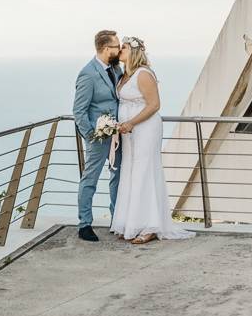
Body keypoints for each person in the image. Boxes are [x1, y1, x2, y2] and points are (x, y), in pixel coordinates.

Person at [110, 36, 195, 244]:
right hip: (128, 133)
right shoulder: (124, 75)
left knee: (145, 172)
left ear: (134, 51)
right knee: (130, 172)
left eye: (124, 47)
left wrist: (131, 122)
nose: (120, 50)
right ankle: (131, 223)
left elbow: (154, 104)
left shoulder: (144, 74)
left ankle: (150, 226)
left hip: (145, 128)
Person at [73, 30, 123, 242]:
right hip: (98, 137)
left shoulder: (117, 69)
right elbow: (79, 110)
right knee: (90, 179)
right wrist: (92, 134)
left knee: (118, 177)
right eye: (116, 47)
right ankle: (84, 224)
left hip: (119, 135)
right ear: (105, 49)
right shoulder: (88, 73)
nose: (119, 50)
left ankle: (117, 219)